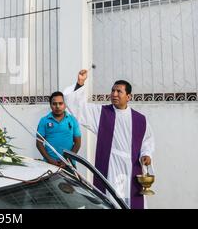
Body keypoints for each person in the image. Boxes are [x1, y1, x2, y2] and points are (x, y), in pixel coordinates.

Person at [63, 69, 155, 209]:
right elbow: (79, 109)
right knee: (110, 200)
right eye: (113, 91)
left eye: (119, 91)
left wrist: (146, 154)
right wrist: (80, 84)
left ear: (128, 96)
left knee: (130, 201)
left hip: (131, 168)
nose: (114, 94)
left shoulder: (140, 119)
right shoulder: (101, 113)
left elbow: (146, 141)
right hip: (109, 166)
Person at [36, 91, 82, 168]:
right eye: (54, 104)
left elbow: (77, 143)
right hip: (49, 164)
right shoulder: (44, 120)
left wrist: (68, 160)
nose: (57, 106)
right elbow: (39, 143)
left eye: (60, 103)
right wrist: (50, 160)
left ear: (65, 105)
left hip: (69, 164)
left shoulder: (72, 120)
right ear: (50, 105)